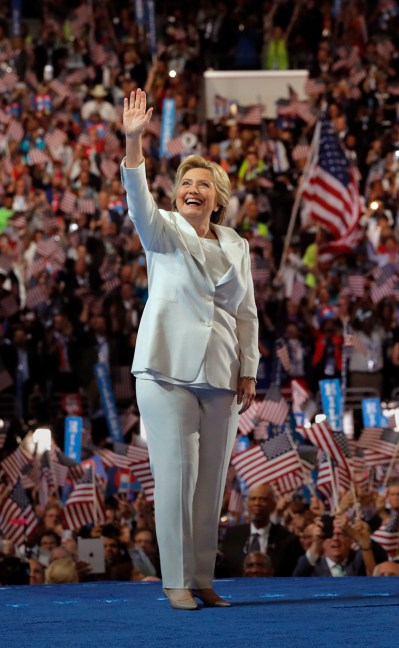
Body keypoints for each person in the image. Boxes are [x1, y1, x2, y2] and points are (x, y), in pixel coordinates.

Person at [121, 88, 259, 610]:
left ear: (219, 198)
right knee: (176, 477)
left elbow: (246, 313)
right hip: (165, 369)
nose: (193, 189)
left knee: (210, 487)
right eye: (186, 182)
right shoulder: (163, 230)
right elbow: (138, 199)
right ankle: (176, 581)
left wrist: (249, 368)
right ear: (176, 194)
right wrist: (134, 142)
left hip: (221, 373)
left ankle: (202, 578)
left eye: (204, 184)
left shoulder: (237, 245)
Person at [217, 483, 304, 578]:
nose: (257, 503)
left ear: (273, 505)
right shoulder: (232, 535)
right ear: (247, 504)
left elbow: (294, 575)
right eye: (253, 499)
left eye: (263, 499)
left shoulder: (288, 539)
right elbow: (222, 572)